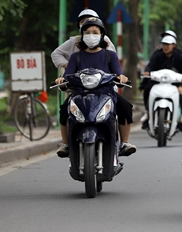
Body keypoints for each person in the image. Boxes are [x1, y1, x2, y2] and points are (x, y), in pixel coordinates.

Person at [54, 18, 136, 158]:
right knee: (64, 110)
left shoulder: (110, 55)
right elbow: (67, 77)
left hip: (106, 94)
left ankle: (125, 143)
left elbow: (118, 74)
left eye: (95, 32)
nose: (91, 35)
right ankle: (66, 144)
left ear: (102, 35)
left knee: (125, 107)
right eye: (87, 32)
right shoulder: (75, 57)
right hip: (80, 95)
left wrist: (121, 78)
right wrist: (62, 80)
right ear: (82, 35)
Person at [141, 31, 182, 132]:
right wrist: (147, 72)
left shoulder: (180, 57)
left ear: (174, 45)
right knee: (148, 89)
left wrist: (181, 85)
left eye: (168, 44)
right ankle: (148, 113)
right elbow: (151, 65)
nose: (166, 47)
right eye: (164, 44)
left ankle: (181, 116)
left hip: (175, 83)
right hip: (158, 82)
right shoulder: (157, 55)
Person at [51, 9, 116, 70]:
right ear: (79, 26)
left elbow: (113, 60)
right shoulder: (74, 41)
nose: (87, 23)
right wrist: (69, 65)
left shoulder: (105, 39)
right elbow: (56, 54)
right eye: (83, 21)